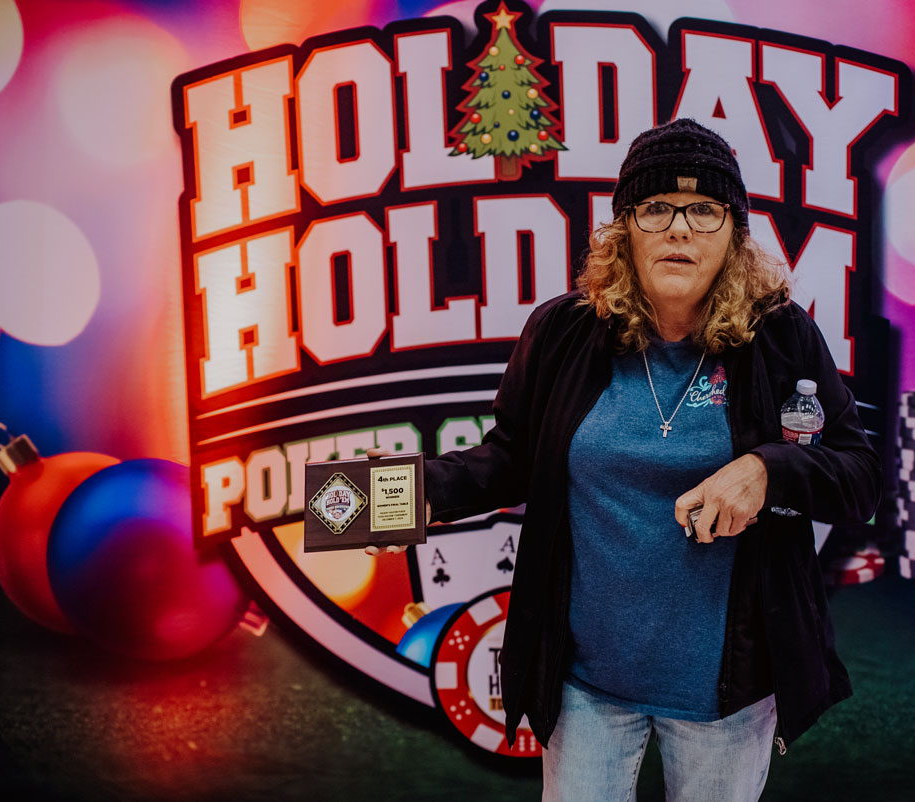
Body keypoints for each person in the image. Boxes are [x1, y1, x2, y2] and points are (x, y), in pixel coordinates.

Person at [369, 118, 881, 801]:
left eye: (705, 210)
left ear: (734, 234)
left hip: (726, 693)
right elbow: (510, 459)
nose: (680, 230)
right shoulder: (563, 331)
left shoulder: (781, 338)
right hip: (586, 684)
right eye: (656, 208)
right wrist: (407, 491)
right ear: (625, 230)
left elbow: (859, 478)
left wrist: (767, 471)